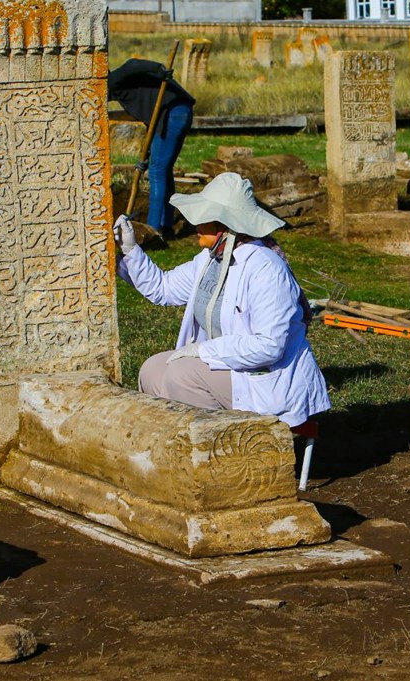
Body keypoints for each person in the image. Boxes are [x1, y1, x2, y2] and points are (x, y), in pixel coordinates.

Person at [113, 172, 330, 428]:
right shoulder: (210, 259)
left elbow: (270, 346)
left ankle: (218, 451)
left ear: (225, 225)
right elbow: (163, 288)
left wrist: (202, 351)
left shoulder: (266, 269)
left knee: (181, 376)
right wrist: (130, 250)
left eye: (203, 218)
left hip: (268, 378)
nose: (195, 224)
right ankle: (174, 448)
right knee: (152, 370)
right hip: (231, 365)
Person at [108, 59, 196, 236]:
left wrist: (159, 70)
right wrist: (146, 154)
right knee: (163, 169)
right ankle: (166, 224)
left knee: (157, 171)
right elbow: (151, 116)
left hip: (173, 113)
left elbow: (132, 64)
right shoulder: (125, 88)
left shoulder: (113, 81)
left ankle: (153, 229)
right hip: (178, 111)